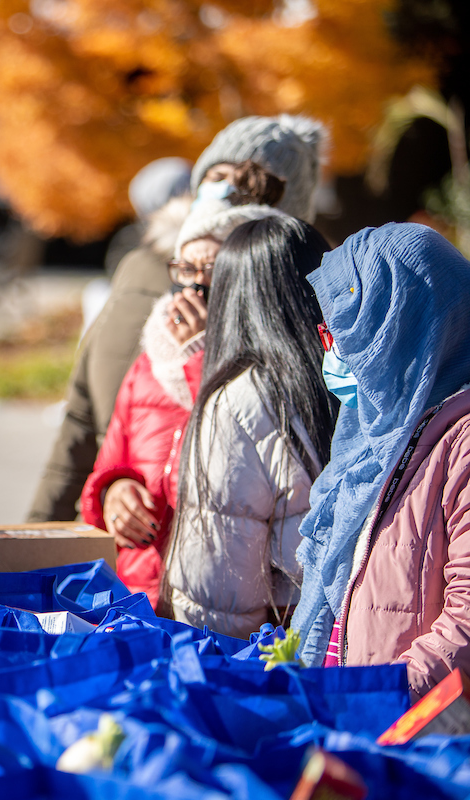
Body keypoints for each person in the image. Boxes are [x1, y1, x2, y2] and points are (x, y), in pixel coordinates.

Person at [29, 114, 327, 523]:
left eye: (246, 181)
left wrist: (202, 356)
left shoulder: (299, 312)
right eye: (216, 174)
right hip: (126, 552)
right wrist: (46, 528)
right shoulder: (145, 273)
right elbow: (88, 423)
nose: (222, 189)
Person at [78, 198, 287, 609]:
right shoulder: (149, 363)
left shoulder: (266, 369)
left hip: (221, 604)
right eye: (185, 270)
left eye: (210, 272)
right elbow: (107, 464)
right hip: (137, 595)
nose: (194, 286)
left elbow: (232, 447)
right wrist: (113, 494)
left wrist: (199, 356)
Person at [294, 223, 470, 700]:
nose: (330, 351)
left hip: (413, 730)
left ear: (400, 327)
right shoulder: (378, 429)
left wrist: (379, 696)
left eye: (345, 333)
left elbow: (467, 619)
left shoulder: (463, 442)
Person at [162, 216, 337, 639]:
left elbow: (216, 586)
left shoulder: (238, 399)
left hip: (281, 647)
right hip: (360, 632)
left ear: (233, 294)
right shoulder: (355, 376)